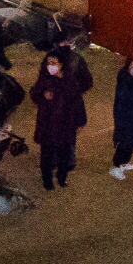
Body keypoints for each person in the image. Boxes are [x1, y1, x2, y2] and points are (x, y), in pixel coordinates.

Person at [31, 51, 88, 190]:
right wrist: (42, 95)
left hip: (65, 124)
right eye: (48, 63)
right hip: (47, 124)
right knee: (47, 154)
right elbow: (34, 94)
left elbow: (78, 102)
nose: (50, 66)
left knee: (64, 153)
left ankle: (62, 178)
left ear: (61, 65)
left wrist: (80, 122)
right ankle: (47, 181)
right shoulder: (44, 80)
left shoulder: (70, 81)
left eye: (53, 63)